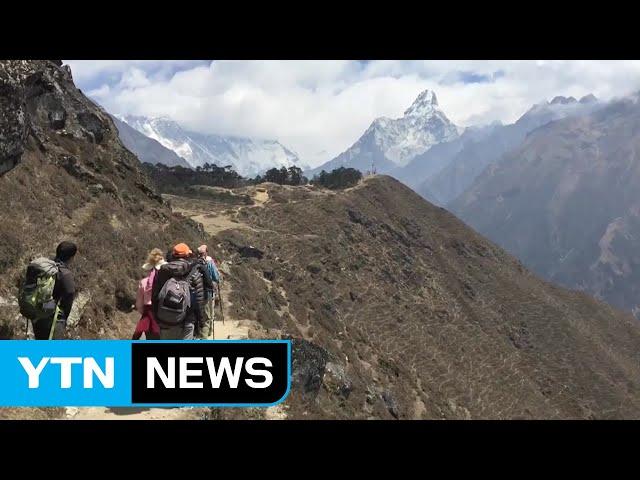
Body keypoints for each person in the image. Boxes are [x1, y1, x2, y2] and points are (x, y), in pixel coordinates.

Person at [151, 243, 212, 340]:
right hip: (187, 321)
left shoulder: (163, 272)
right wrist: (201, 322)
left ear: (173, 255)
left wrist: (157, 317)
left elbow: (155, 296)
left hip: (165, 321)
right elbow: (199, 301)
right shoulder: (195, 273)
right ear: (188, 256)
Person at [32, 241, 76, 340]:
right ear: (71, 258)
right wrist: (64, 316)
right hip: (54, 318)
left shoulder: (46, 268)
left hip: (38, 314)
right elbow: (70, 293)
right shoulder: (65, 274)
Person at [132, 248, 166, 340]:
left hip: (149, 315)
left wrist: (144, 313)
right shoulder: (165, 282)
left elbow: (139, 304)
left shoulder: (143, 282)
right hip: (164, 317)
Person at [196, 244, 222, 339]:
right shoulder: (210, 262)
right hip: (207, 293)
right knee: (209, 313)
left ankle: (199, 332)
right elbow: (216, 277)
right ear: (206, 252)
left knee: (199, 313)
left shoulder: (194, 262)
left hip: (196, 293)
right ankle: (208, 333)